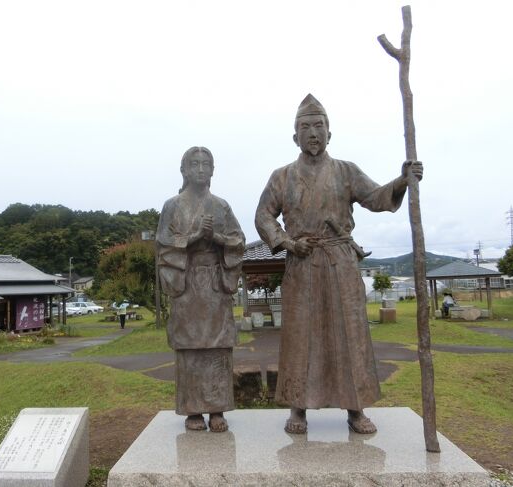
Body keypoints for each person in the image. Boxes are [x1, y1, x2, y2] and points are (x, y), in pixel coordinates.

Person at [255, 94, 423, 435]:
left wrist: (402, 180)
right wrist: (288, 242)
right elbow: (263, 216)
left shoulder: (346, 171)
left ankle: (355, 407)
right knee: (300, 336)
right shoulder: (282, 177)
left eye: (319, 126)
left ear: (330, 134)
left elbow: (376, 197)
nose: (313, 133)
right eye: (305, 127)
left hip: (341, 264)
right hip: (302, 266)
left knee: (351, 334)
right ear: (295, 137)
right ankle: (298, 407)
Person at [156, 146, 245, 432]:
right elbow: (163, 244)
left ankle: (217, 410)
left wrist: (216, 237)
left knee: (218, 345)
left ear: (213, 170)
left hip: (215, 285)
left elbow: (238, 241)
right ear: (183, 170)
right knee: (190, 345)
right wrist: (194, 237)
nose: (200, 169)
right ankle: (192, 411)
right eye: (194, 164)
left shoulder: (221, 206)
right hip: (187, 285)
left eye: (206, 164)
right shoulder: (172, 205)